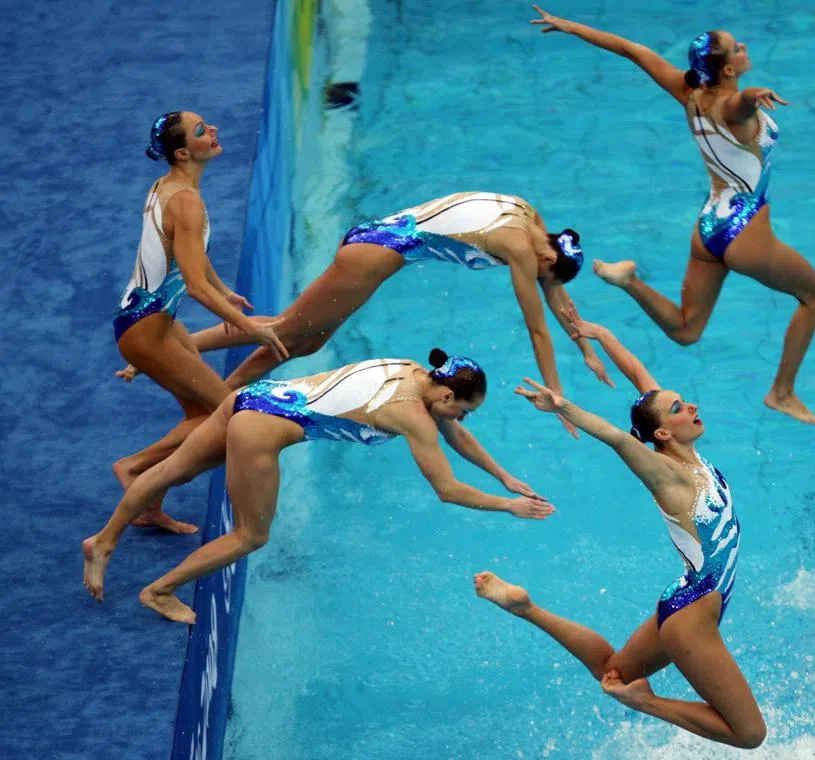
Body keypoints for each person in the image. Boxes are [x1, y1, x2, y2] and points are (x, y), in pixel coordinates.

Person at [84, 349, 553, 623]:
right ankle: (160, 591)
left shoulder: (415, 373)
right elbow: (446, 490)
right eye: (464, 410)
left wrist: (503, 475)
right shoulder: (412, 415)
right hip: (259, 430)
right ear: (448, 395)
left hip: (250, 399)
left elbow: (453, 432)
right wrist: (508, 505)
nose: (462, 419)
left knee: (172, 471)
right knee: (250, 536)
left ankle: (103, 541)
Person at [475, 307, 766, 748]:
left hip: (683, 598)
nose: (691, 407)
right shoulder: (667, 475)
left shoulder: (688, 456)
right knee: (749, 733)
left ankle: (524, 606)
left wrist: (603, 334)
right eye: (678, 408)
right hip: (693, 617)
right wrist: (563, 406)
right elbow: (615, 437)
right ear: (662, 434)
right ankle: (647, 702)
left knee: (613, 672)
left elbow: (640, 378)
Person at [530, 6, 815, 424]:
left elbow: (633, 50)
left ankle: (629, 281)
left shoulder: (690, 94)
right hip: (745, 231)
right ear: (728, 69)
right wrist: (753, 94)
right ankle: (782, 392)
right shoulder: (731, 105)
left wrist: (570, 26)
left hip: (708, 228)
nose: (744, 47)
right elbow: (741, 104)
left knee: (687, 330)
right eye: (737, 48)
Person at [140, 191, 615, 436]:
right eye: (542, 275)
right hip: (374, 256)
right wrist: (558, 396)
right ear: (546, 258)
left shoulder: (532, 222)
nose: (539, 280)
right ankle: (206, 387)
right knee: (288, 331)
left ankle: (205, 378)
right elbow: (537, 329)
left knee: (309, 338)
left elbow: (556, 294)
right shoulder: (520, 250)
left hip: (374, 247)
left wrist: (585, 347)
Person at [112, 111, 287, 532]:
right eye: (200, 131)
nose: (213, 130)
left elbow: (189, 254)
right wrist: (250, 327)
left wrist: (223, 288)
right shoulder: (186, 202)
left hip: (151, 321)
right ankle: (134, 467)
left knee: (201, 414)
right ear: (183, 153)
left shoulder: (169, 186)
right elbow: (194, 286)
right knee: (223, 413)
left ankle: (150, 502)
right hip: (147, 329)